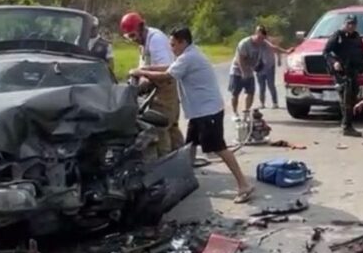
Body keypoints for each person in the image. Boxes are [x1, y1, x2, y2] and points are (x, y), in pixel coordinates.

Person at [131, 27, 255, 203]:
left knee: (219, 148)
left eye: (173, 44)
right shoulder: (188, 55)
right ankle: (183, 182)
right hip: (199, 112)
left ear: (183, 42)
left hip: (207, 111)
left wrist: (142, 72)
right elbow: (171, 67)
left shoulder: (189, 57)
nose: (171, 48)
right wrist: (146, 67)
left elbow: (167, 76)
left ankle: (244, 185)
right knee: (189, 146)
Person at [120, 12, 182, 154]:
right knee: (171, 126)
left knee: (160, 124)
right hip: (158, 85)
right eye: (129, 37)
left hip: (166, 85)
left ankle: (165, 160)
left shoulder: (156, 40)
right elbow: (142, 68)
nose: (133, 40)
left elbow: (168, 68)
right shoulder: (144, 42)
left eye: (133, 35)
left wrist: (143, 72)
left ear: (141, 28)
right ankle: (182, 158)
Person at [323, 15, 363, 137]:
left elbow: (362, 54)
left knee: (352, 98)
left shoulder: (357, 37)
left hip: (353, 71)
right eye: (348, 23)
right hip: (342, 72)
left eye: (353, 24)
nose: (350, 26)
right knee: (346, 98)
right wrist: (335, 62)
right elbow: (326, 52)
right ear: (344, 24)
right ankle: (347, 126)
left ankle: (346, 123)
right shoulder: (338, 36)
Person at [230, 25, 292, 113]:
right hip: (237, 70)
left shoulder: (263, 43)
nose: (260, 41)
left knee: (250, 92)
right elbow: (240, 59)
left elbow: (273, 48)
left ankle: (246, 111)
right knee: (235, 93)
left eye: (263, 38)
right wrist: (243, 72)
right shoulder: (245, 43)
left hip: (249, 71)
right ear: (256, 34)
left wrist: (286, 51)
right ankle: (235, 113)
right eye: (259, 38)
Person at [86, 16, 116, 82]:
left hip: (99, 78)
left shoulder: (106, 44)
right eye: (89, 27)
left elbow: (111, 64)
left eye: (93, 28)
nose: (91, 30)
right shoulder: (80, 41)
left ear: (98, 28)